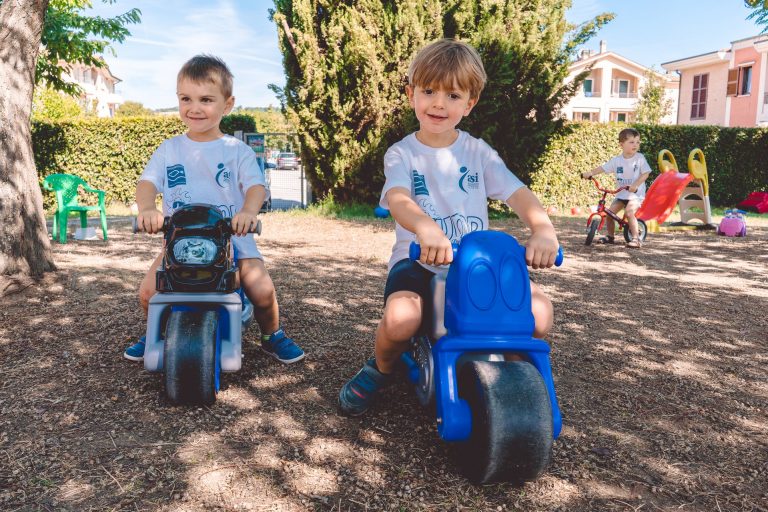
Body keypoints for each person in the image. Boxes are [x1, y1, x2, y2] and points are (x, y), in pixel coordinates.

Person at [337, 39, 560, 416]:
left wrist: (543, 230)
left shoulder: (478, 153)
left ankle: (505, 369)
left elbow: (519, 193)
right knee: (401, 318)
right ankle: (382, 367)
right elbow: (398, 198)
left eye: (452, 95)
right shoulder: (402, 153)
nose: (438, 103)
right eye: (428, 91)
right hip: (419, 263)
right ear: (411, 95)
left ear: (469, 104)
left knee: (539, 314)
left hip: (474, 266)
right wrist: (424, 228)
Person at [123, 54, 304, 364]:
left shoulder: (237, 150)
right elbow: (147, 183)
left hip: (232, 239)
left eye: (206, 99)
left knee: (261, 290)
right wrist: (147, 207)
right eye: (186, 99)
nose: (195, 108)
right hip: (180, 241)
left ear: (227, 104)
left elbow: (256, 187)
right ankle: (159, 330)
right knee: (147, 293)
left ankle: (271, 334)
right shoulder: (169, 150)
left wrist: (248, 212)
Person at [581, 128, 651, 248]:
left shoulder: (639, 158)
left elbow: (646, 173)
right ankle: (610, 237)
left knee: (629, 212)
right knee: (609, 214)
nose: (635, 145)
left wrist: (635, 185)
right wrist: (590, 173)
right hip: (621, 194)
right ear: (621, 145)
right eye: (631, 142)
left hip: (635, 194)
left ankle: (636, 239)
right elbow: (603, 168)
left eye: (638, 142)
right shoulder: (617, 161)